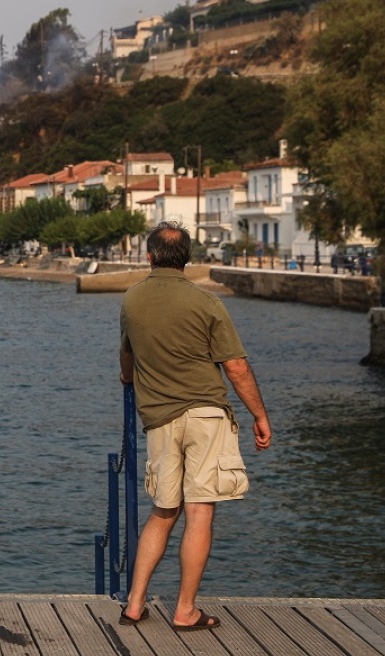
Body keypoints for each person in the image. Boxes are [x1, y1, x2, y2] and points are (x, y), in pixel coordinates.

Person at [118, 222, 272, 631]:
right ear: (187, 259)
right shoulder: (208, 304)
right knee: (199, 511)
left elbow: (127, 362)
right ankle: (184, 610)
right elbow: (235, 367)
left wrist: (132, 382)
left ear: (148, 256)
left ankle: (134, 604)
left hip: (159, 419)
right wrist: (259, 415)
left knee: (162, 511)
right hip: (206, 415)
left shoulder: (131, 300)